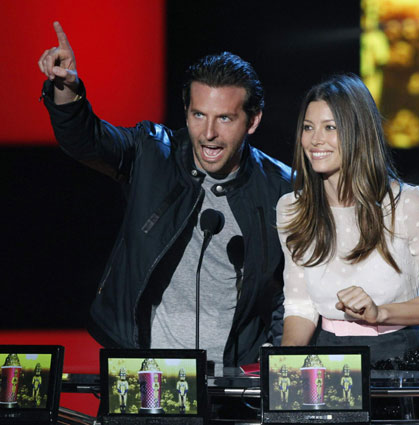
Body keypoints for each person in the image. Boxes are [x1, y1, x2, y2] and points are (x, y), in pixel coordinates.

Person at [38, 22, 291, 375]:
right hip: (144, 367)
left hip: (232, 380)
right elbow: (87, 140)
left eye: (225, 119)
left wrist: (272, 364)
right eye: (198, 115)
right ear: (186, 111)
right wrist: (67, 90)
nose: (209, 134)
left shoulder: (282, 189)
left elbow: (293, 292)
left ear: (252, 121)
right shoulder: (152, 153)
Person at [277, 73, 419, 423]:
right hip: (325, 361)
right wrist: (285, 366)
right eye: (308, 127)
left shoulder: (408, 204)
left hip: (396, 363)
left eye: (331, 127)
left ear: (358, 132)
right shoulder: (292, 208)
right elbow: (300, 304)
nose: (316, 139)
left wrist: (380, 313)